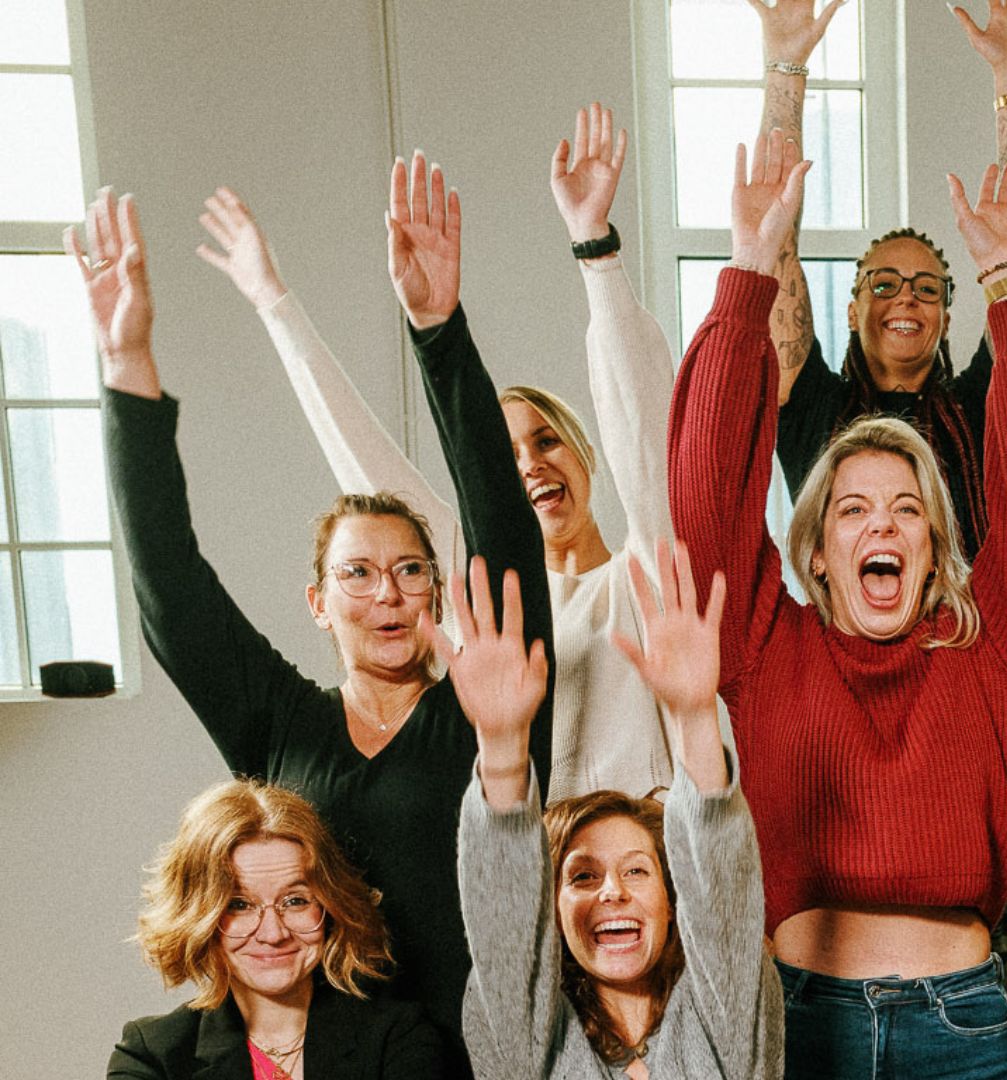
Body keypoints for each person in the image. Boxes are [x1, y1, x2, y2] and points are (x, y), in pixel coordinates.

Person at [88, 158, 552, 1078]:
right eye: (359, 574)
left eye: (411, 569)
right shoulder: (280, 725)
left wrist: (438, 329)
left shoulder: (487, 701)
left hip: (494, 1056)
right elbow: (171, 593)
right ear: (318, 602)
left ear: (436, 589)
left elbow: (505, 531)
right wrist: (126, 365)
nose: (387, 593)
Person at [668, 129, 1007, 1079]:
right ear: (816, 551)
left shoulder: (985, 645)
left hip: (964, 1029)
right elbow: (705, 492)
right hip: (800, 1022)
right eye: (853, 509)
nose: (883, 527)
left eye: (908, 510)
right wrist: (743, 275)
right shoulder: (764, 643)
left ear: (937, 548)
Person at [194, 103, 680, 801]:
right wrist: (277, 304)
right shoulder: (486, 598)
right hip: (525, 875)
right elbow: (369, 466)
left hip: (639, 884)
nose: (530, 466)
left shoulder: (644, 578)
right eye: (508, 455)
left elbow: (645, 428)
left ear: (587, 456)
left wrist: (594, 246)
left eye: (547, 440)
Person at [449, 539, 781, 1079]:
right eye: (581, 876)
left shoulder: (726, 1011)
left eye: (636, 870)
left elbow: (722, 902)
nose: (612, 891)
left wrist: (696, 719)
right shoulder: (523, 1041)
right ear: (550, 911)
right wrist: (504, 749)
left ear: (674, 903)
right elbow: (505, 932)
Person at [758, 0, 1007, 558]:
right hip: (837, 643)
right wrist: (785, 67)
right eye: (885, 284)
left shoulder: (978, 404)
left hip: (966, 640)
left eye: (927, 288)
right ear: (852, 309)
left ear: (944, 319)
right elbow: (773, 246)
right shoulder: (813, 404)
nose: (907, 299)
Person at [109, 779, 443, 1079]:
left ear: (330, 907)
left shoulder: (398, 1038)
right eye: (240, 904)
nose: (273, 933)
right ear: (200, 916)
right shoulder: (150, 1056)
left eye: (295, 901)